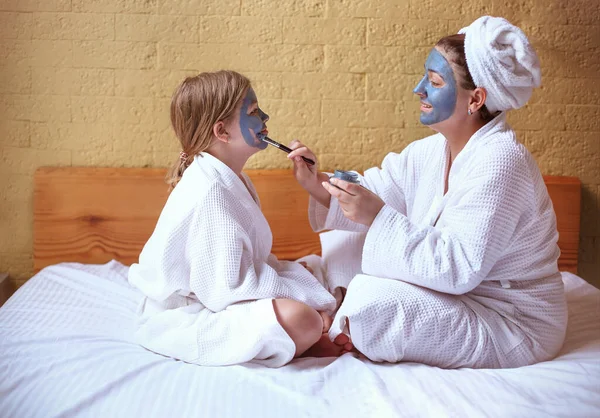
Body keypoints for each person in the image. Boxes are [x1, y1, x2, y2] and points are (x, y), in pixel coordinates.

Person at [289, 16, 568, 369]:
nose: (418, 89)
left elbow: (458, 268)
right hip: (462, 294)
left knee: (372, 299)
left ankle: (340, 316)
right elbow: (380, 186)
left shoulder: (501, 161)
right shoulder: (436, 149)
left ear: (475, 99)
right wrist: (319, 183)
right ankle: (338, 302)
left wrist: (377, 217)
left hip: (510, 321)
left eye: (434, 82)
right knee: (345, 249)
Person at [128, 70, 339, 367]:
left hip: (215, 296)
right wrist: (310, 301)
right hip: (189, 314)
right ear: (222, 132)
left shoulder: (230, 177)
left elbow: (245, 264)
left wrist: (298, 284)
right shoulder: (212, 190)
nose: (265, 117)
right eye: (253, 112)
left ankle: (313, 328)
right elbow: (226, 291)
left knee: (313, 268)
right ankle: (315, 331)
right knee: (302, 320)